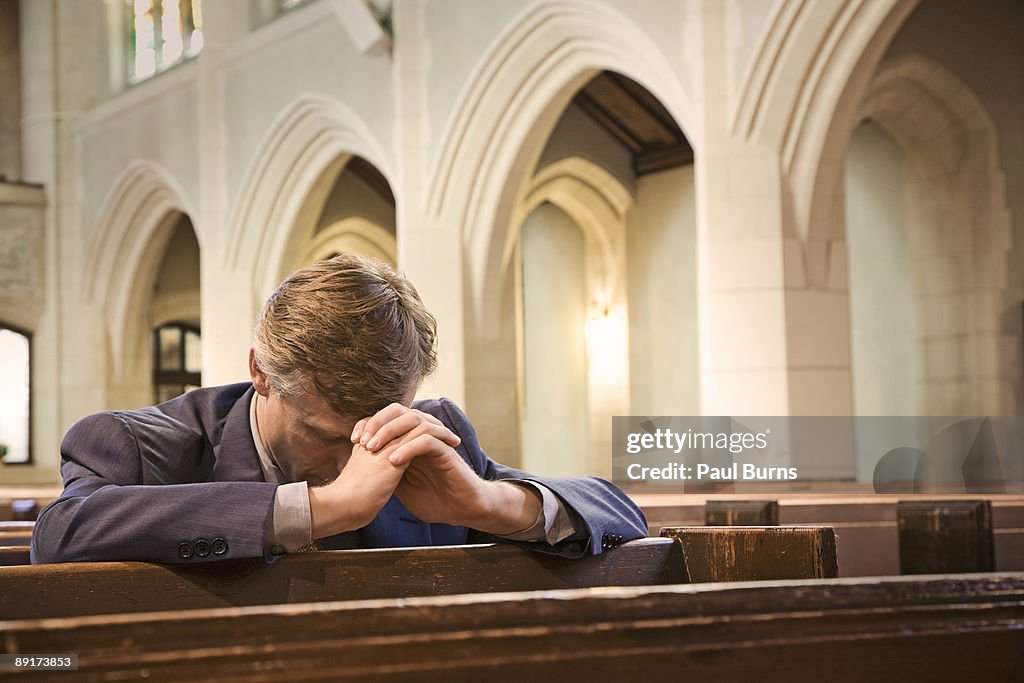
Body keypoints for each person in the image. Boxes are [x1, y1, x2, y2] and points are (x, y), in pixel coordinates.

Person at [31, 255, 647, 564]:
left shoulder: (426, 432)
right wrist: (323, 507)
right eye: (324, 431)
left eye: (371, 427)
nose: (358, 453)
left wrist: (490, 504)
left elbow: (622, 516)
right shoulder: (135, 445)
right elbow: (60, 536)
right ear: (259, 374)